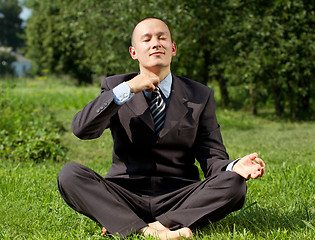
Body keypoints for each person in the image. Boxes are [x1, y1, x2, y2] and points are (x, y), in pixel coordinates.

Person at [57, 17, 265, 239]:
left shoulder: (200, 95)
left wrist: (233, 166)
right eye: (146, 39)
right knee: (69, 175)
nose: (156, 43)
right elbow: (82, 129)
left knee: (234, 184)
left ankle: (150, 224)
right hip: (125, 194)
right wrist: (126, 89)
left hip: (179, 195)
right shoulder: (116, 87)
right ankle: (146, 230)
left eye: (162, 38)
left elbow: (212, 158)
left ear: (173, 48)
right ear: (133, 52)